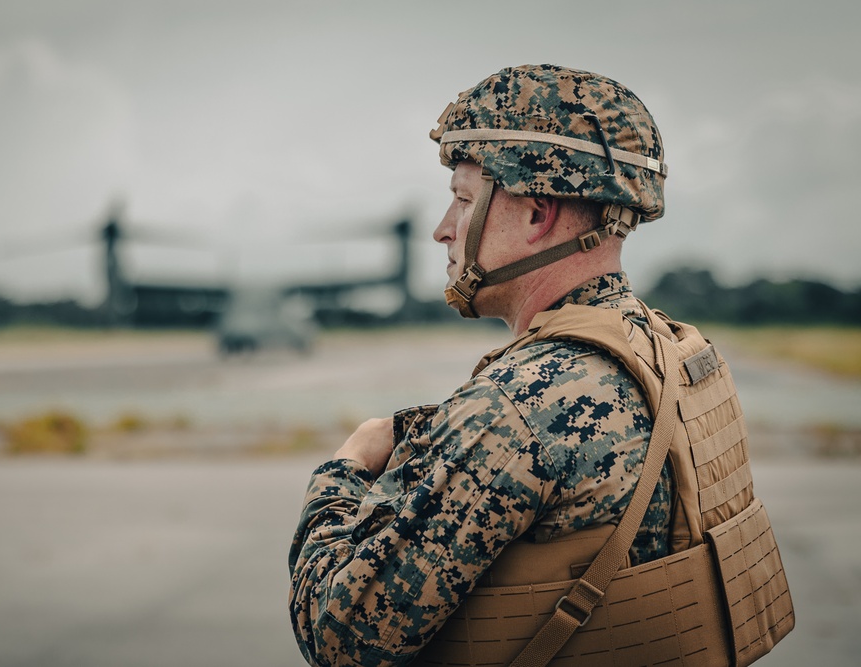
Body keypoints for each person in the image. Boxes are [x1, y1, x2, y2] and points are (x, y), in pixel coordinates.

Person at [288, 64, 792, 667]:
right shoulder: (683, 360)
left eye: (463, 200)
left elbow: (341, 639)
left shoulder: (514, 409)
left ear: (535, 214)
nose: (443, 231)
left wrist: (344, 469)